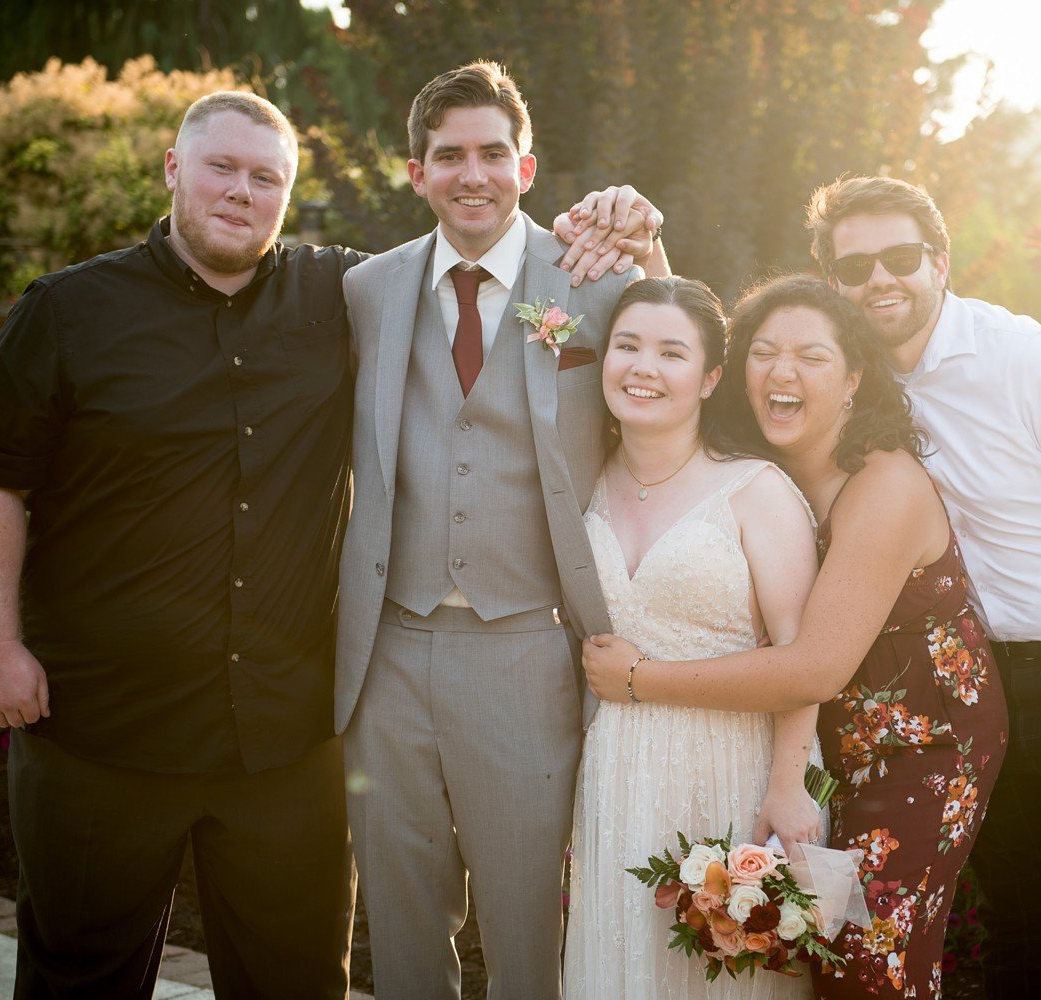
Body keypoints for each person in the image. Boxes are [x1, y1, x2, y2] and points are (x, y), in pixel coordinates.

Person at [0, 85, 654, 997]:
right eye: (221, 169)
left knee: (299, 980)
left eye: (265, 177)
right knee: (77, 976)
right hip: (100, 726)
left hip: (282, 738)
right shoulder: (73, 311)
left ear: (287, 193)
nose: (242, 192)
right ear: (173, 170)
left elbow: (597, 316)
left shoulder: (339, 291)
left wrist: (626, 225)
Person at [334, 61, 670, 1000]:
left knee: (527, 921)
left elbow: (682, 362)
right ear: (417, 173)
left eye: (492, 153)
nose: (470, 173)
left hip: (526, 644)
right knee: (399, 917)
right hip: (387, 651)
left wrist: (651, 250)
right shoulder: (368, 290)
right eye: (449, 157)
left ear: (527, 168)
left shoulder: (592, 282)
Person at [804, 175, 1041, 999]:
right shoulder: (855, 380)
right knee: (1021, 925)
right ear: (833, 282)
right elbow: (739, 366)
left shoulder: (1028, 359)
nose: (879, 280)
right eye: (854, 265)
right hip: (980, 687)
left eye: (900, 257)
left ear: (940, 261)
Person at [584, 274, 1008, 997]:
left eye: (811, 356)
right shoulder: (772, 467)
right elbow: (675, 338)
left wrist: (638, 679)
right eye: (764, 351)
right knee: (804, 955)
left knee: (872, 962)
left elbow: (813, 669)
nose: (782, 371)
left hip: (923, 748)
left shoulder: (884, 487)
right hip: (837, 742)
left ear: (853, 379)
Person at [562, 276, 822, 999]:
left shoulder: (755, 490)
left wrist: (787, 784)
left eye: (672, 352)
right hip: (616, 769)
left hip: (735, 771)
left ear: (711, 377)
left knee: (725, 976)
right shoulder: (579, 484)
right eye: (628, 346)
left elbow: (802, 657)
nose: (644, 367)